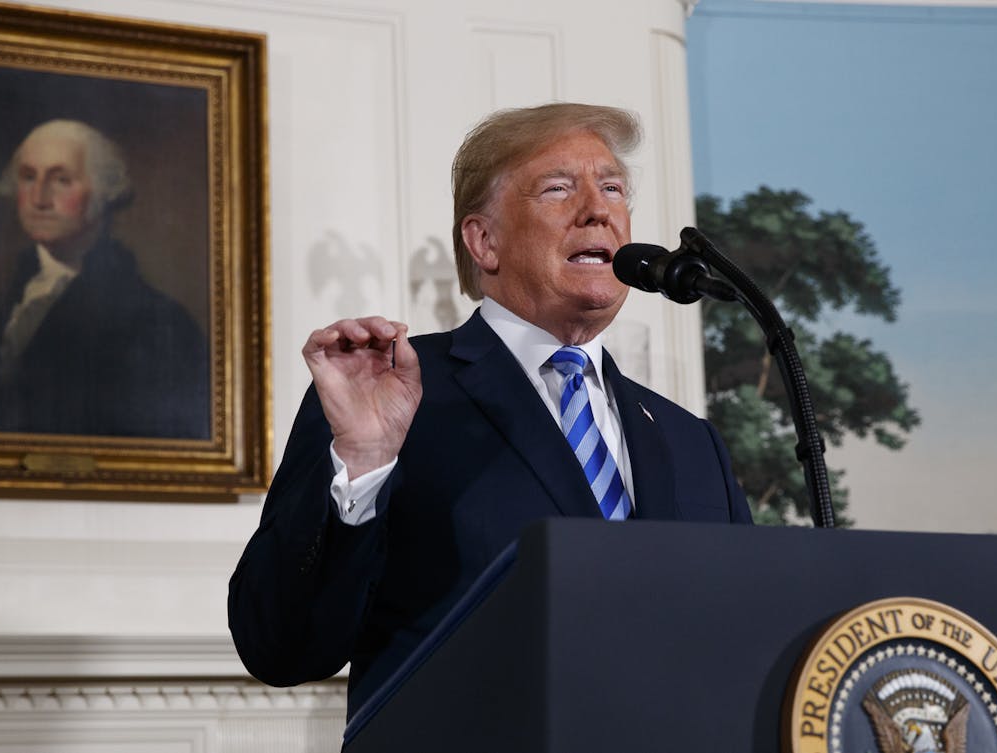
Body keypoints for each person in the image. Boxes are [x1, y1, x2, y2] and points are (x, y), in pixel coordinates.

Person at [228, 103, 751, 717]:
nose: (598, 209)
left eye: (611, 187)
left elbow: (741, 639)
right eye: (559, 188)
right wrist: (365, 463)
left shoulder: (693, 444)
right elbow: (281, 648)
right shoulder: (386, 393)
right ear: (484, 241)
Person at [0, 119, 209, 439]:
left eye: (61, 180)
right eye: (28, 177)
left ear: (103, 193)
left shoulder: (159, 325)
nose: (39, 198)